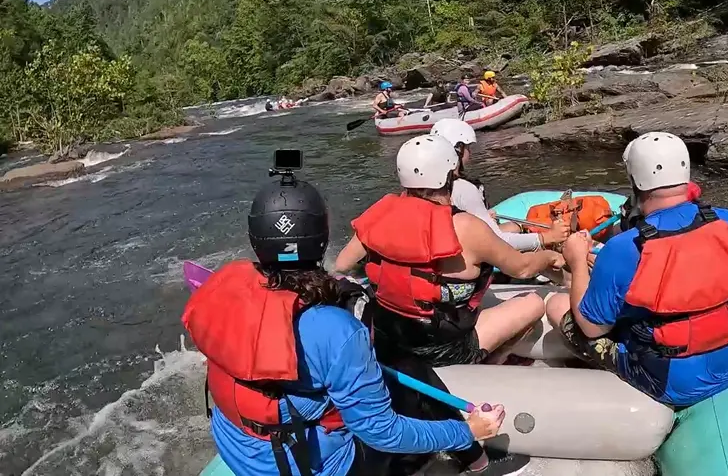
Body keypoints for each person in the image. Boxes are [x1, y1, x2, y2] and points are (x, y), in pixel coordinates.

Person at [181, 166, 507, 476]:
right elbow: (383, 433)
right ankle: (470, 455)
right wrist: (467, 430)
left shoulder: (223, 290)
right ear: (321, 239)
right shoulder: (337, 330)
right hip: (317, 467)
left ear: (256, 239)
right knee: (409, 370)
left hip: (239, 451)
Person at [332, 134, 565, 475]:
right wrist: (551, 257)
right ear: (450, 174)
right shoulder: (466, 227)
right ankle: (490, 363)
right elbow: (523, 269)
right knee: (532, 303)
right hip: (446, 346)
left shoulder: (379, 215)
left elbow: (341, 265)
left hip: (388, 338)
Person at [546, 132, 728, 408]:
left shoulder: (623, 248)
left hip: (673, 383)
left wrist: (577, 262)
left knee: (557, 305)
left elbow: (590, 329)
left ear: (635, 181)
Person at [430, 118, 570, 253]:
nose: (470, 153)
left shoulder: (430, 186)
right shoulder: (464, 189)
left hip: (455, 247)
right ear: (458, 149)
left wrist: (483, 217)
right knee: (548, 253)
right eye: (467, 148)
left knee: (515, 227)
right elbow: (497, 241)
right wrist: (547, 237)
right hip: (475, 254)